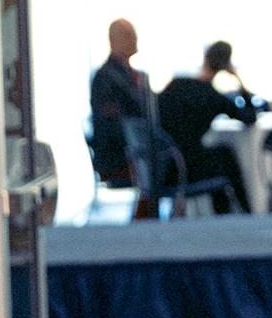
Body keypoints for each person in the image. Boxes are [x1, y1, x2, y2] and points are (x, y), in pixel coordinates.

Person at [156, 40, 258, 213]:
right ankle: (246, 212)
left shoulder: (176, 84)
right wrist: (238, 80)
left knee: (219, 157)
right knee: (225, 156)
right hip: (189, 168)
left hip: (164, 164)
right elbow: (250, 117)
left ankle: (232, 214)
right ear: (226, 65)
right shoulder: (213, 97)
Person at [87, 17, 153, 187]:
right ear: (113, 40)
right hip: (121, 155)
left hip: (138, 149)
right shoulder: (106, 77)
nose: (134, 39)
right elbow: (114, 123)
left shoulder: (132, 75)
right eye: (128, 35)